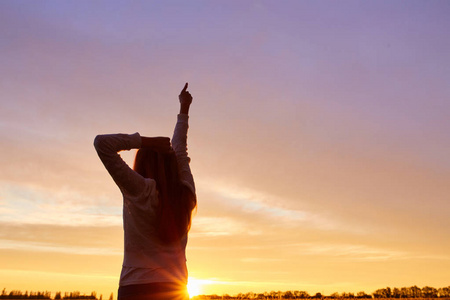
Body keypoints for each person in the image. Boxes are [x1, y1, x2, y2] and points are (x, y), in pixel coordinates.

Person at [94, 83, 197, 300]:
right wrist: (184, 109)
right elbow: (180, 148)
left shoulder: (139, 189)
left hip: (135, 290)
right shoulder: (185, 192)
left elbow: (102, 144)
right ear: (172, 164)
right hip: (175, 290)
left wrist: (144, 142)